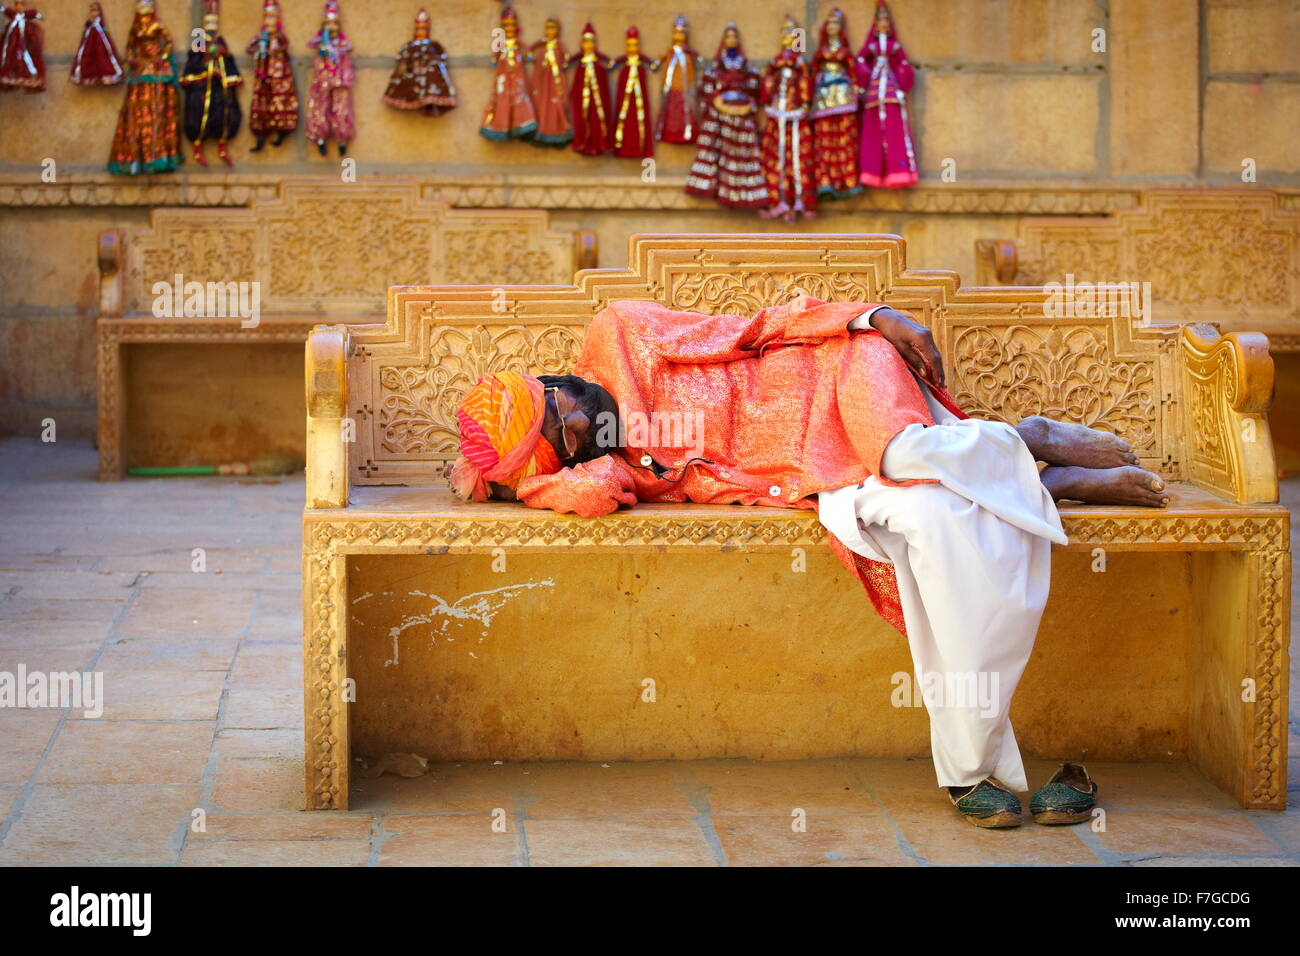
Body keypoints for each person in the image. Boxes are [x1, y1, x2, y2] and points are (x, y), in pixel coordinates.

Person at [449, 297, 1166, 827]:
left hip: (844, 378)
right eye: (562, 443)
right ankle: (1037, 487)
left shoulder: (620, 335)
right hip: (831, 479)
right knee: (935, 532)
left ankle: (1025, 443)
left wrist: (875, 319)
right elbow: (590, 495)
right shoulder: (612, 467)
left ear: (548, 379)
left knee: (904, 454)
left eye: (558, 408)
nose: (577, 425)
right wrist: (527, 473)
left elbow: (753, 328)